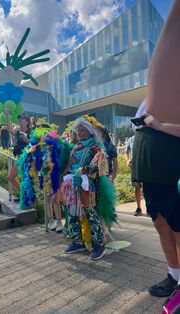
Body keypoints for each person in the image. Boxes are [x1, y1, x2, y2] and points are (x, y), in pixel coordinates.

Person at [132, 0, 180, 306]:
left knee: (177, 226)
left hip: (169, 169)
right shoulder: (147, 101)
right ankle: (174, 275)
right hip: (150, 172)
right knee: (160, 223)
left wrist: (161, 125)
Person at [61, 115, 116, 260]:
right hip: (73, 186)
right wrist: (65, 175)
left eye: (82, 130)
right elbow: (70, 166)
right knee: (73, 213)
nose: (79, 133)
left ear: (90, 132)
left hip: (89, 188)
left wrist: (84, 170)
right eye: (78, 130)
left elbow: (102, 168)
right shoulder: (76, 148)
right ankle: (77, 241)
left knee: (91, 215)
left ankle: (99, 245)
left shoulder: (96, 147)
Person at [6, 112, 30, 200]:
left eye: (22, 119)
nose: (20, 120)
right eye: (19, 119)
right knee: (11, 177)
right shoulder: (18, 131)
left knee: (25, 179)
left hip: (27, 158)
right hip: (20, 158)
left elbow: (36, 144)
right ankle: (25, 195)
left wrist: (27, 140)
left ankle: (26, 198)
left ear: (27, 122)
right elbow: (10, 130)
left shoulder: (31, 131)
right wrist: (8, 116)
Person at [125, 135, 142, 216]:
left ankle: (150, 207)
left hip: (145, 166)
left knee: (147, 187)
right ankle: (139, 208)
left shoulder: (146, 137)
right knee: (137, 187)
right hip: (135, 166)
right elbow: (126, 151)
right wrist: (127, 160)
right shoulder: (131, 139)